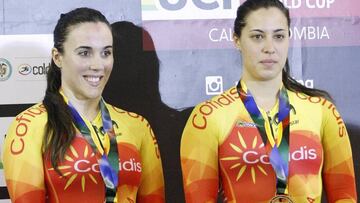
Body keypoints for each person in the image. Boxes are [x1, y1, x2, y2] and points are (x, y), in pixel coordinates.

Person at [180, 0, 357, 202]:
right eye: (257, 37)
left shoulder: (322, 111)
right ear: (236, 40)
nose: (270, 48)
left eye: (279, 36)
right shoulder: (209, 117)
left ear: (289, 39)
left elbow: (345, 195)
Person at [2, 7, 164, 203]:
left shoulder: (138, 126)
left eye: (106, 53)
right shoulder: (29, 126)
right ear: (57, 57)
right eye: (85, 53)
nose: (98, 65)